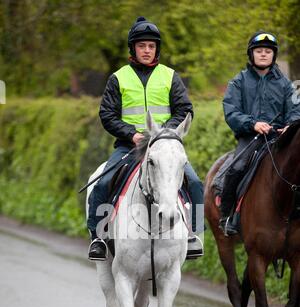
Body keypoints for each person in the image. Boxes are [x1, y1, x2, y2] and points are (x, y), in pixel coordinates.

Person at [87, 16, 204, 259]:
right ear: (133, 49)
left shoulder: (170, 76)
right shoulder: (118, 78)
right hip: (130, 146)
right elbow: (107, 115)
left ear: (156, 49)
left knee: (193, 182)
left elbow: (185, 109)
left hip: (164, 146)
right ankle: (97, 237)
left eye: (151, 46)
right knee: (103, 182)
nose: (147, 50)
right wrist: (132, 134)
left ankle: (194, 235)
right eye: (142, 46)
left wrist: (163, 134)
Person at [219, 31, 300, 236]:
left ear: (273, 55)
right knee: (236, 168)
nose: (263, 54)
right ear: (251, 54)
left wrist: (290, 125)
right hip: (251, 138)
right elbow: (231, 111)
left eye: (267, 51)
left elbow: (296, 109)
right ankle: (228, 217)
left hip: (279, 139)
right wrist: (253, 124)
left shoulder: (285, 84)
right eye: (259, 51)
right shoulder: (238, 82)